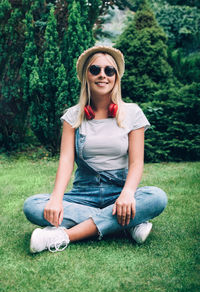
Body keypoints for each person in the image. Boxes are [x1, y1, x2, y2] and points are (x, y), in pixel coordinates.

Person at [23, 45, 167, 253]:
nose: (102, 75)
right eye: (95, 70)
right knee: (33, 205)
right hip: (83, 194)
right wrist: (56, 198)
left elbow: (136, 163)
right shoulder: (72, 116)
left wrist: (127, 194)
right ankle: (125, 223)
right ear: (86, 76)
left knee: (157, 197)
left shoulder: (132, 113)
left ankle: (62, 235)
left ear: (116, 77)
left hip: (118, 191)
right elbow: (65, 161)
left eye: (109, 71)